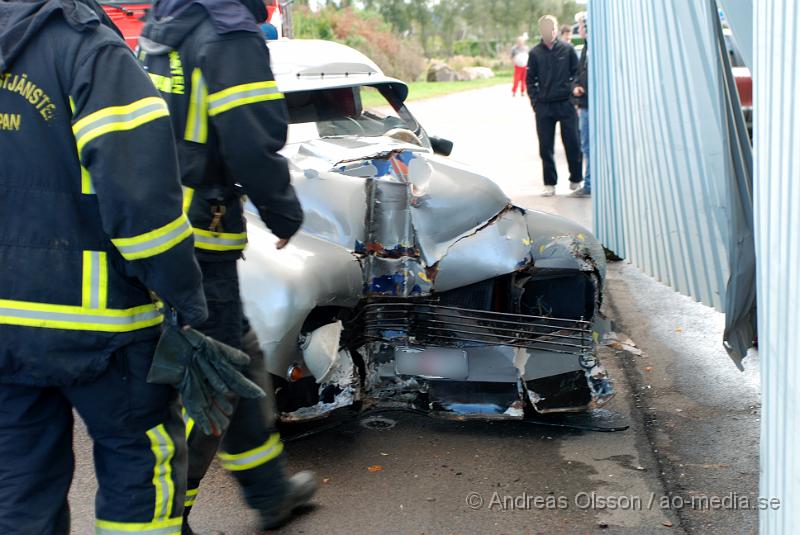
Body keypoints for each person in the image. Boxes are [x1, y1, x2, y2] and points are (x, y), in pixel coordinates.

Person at [0, 0, 208, 532]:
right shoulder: (90, 50)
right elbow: (143, 206)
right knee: (141, 470)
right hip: (104, 331)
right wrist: (184, 299)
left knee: (17, 487)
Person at [138, 0, 317, 532]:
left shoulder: (169, 20)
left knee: (239, 359)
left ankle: (269, 492)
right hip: (201, 230)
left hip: (159, 220)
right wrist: (284, 212)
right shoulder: (228, 33)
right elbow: (250, 138)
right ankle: (167, 513)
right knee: (212, 378)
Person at [526, 15, 583, 197]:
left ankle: (576, 179)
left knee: (572, 143)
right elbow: (530, 80)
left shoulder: (567, 49)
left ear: (556, 29)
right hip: (544, 107)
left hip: (566, 104)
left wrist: (574, 100)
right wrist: (535, 102)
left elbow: (577, 74)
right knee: (545, 147)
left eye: (551, 28)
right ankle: (550, 183)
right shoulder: (535, 53)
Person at [571, 15, 591, 197]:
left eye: (581, 26)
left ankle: (590, 184)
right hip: (584, 104)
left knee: (588, 146)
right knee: (586, 147)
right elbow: (578, 73)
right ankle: (589, 183)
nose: (579, 29)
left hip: (590, 105)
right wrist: (577, 86)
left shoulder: (594, 48)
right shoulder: (586, 47)